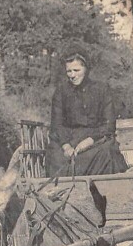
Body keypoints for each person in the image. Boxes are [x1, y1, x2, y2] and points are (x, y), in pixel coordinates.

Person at [47, 46, 128, 177]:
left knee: (107, 152)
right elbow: (56, 125)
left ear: (86, 68)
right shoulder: (61, 92)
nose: (72, 75)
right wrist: (66, 146)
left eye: (76, 70)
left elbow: (108, 125)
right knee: (55, 156)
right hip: (68, 140)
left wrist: (88, 142)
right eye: (69, 71)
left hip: (95, 140)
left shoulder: (102, 90)